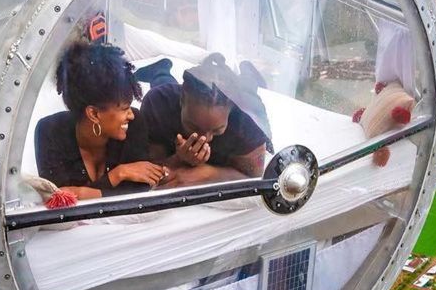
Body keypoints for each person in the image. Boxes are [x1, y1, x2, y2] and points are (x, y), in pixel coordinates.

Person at [34, 42, 167, 202]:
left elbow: (138, 191)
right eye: (124, 108)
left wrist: (82, 193)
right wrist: (118, 174)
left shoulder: (134, 124)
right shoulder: (49, 131)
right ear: (94, 114)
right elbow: (59, 200)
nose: (130, 115)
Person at [140, 53, 269, 186]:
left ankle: (248, 73)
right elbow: (150, 164)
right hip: (171, 96)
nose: (205, 138)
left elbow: (255, 178)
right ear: (182, 99)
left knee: (248, 90)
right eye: (193, 127)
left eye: (217, 130)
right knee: (162, 85)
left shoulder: (247, 120)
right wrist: (178, 159)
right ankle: (160, 70)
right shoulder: (159, 102)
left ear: (231, 109)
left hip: (246, 98)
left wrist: (208, 173)